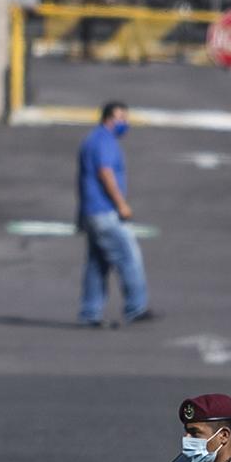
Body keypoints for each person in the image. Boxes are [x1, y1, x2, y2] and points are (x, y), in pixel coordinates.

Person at [76, 101, 151, 328]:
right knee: (129, 258)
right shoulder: (105, 141)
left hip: (91, 212)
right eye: (121, 118)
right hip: (105, 212)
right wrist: (121, 204)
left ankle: (90, 312)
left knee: (97, 264)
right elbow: (105, 173)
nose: (124, 123)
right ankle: (135, 308)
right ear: (108, 118)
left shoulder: (92, 140)